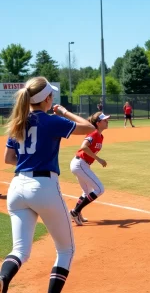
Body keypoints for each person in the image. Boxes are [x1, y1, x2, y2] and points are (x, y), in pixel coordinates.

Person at [0, 77, 95, 293]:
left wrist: (30, 161)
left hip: (17, 187)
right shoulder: (51, 120)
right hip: (43, 187)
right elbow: (89, 127)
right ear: (47, 99)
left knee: (20, 251)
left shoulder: (18, 121)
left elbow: (8, 158)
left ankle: (3, 277)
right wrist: (63, 112)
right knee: (65, 250)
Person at [69, 111, 110, 226]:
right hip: (80, 164)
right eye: (105, 120)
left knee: (86, 192)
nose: (107, 121)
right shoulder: (93, 133)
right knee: (99, 189)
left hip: (82, 164)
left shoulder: (100, 136)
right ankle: (75, 212)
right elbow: (83, 147)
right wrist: (98, 159)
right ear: (98, 123)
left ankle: (77, 213)